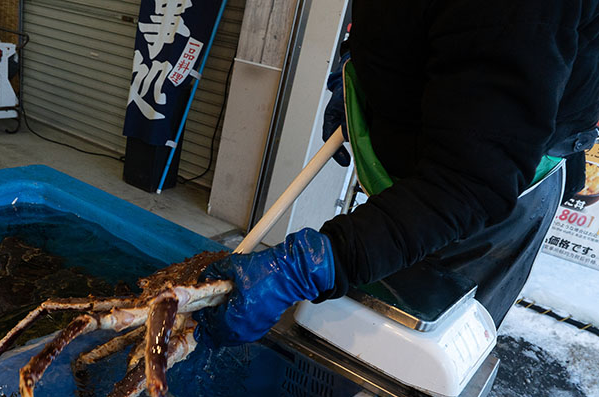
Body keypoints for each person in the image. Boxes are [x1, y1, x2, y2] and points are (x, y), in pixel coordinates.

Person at [195, 0, 599, 347]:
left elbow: (469, 183)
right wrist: (363, 64)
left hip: (484, 198)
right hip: (428, 169)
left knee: (409, 357)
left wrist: (316, 263)